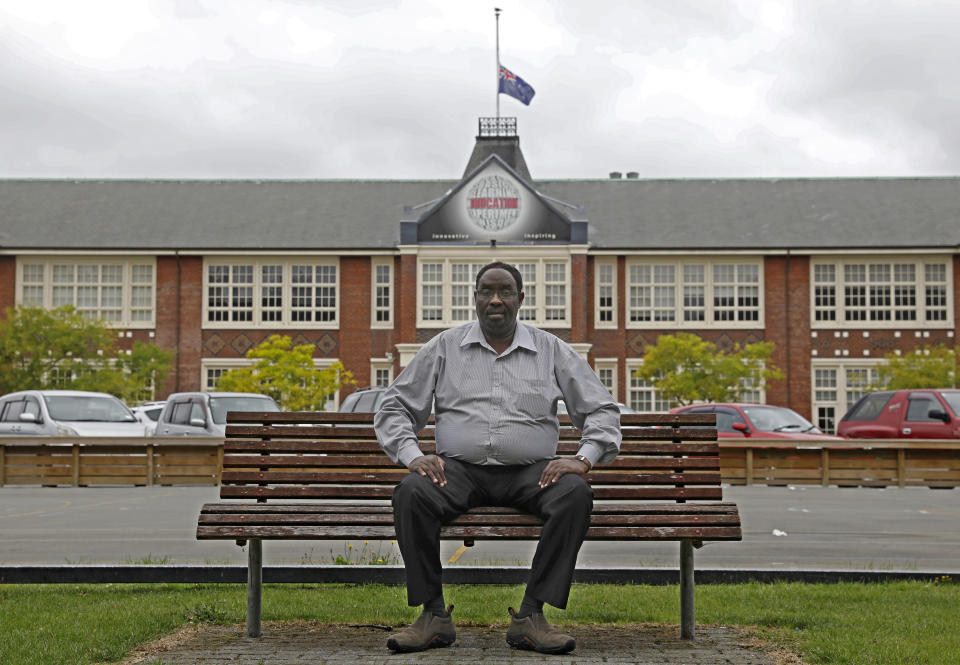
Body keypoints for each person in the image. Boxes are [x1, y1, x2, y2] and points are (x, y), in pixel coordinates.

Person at [374, 261, 621, 654]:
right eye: (486, 291)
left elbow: (601, 409)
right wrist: (412, 455)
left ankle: (530, 617)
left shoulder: (551, 349)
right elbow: (395, 407)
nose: (495, 300)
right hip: (456, 472)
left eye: (504, 292)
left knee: (574, 492)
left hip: (531, 474)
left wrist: (584, 458)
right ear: (474, 298)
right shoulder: (443, 347)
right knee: (411, 492)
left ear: (520, 299)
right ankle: (433, 616)